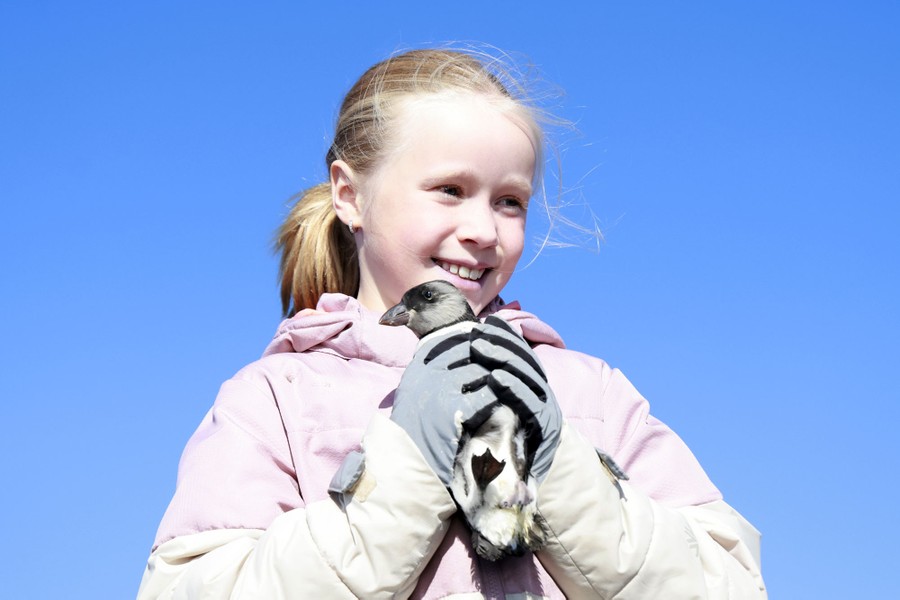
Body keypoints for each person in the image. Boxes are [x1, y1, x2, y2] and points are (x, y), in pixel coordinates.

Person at [137, 47, 767, 599]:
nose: (483, 231)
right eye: (449, 190)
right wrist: (408, 460)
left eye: (510, 202)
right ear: (350, 195)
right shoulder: (275, 400)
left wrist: (560, 463)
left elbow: (731, 582)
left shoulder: (589, 393)